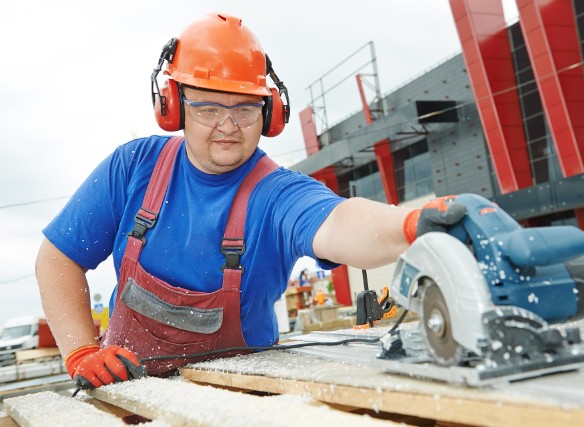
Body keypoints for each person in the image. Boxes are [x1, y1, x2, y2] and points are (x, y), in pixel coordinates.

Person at [35, 12, 465, 389]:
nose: (228, 125)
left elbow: (339, 223)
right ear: (173, 106)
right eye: (207, 108)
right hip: (128, 393)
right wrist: (80, 351)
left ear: (270, 113)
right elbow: (57, 258)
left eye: (244, 108)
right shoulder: (133, 168)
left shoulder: (277, 194)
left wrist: (410, 224)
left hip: (243, 402)